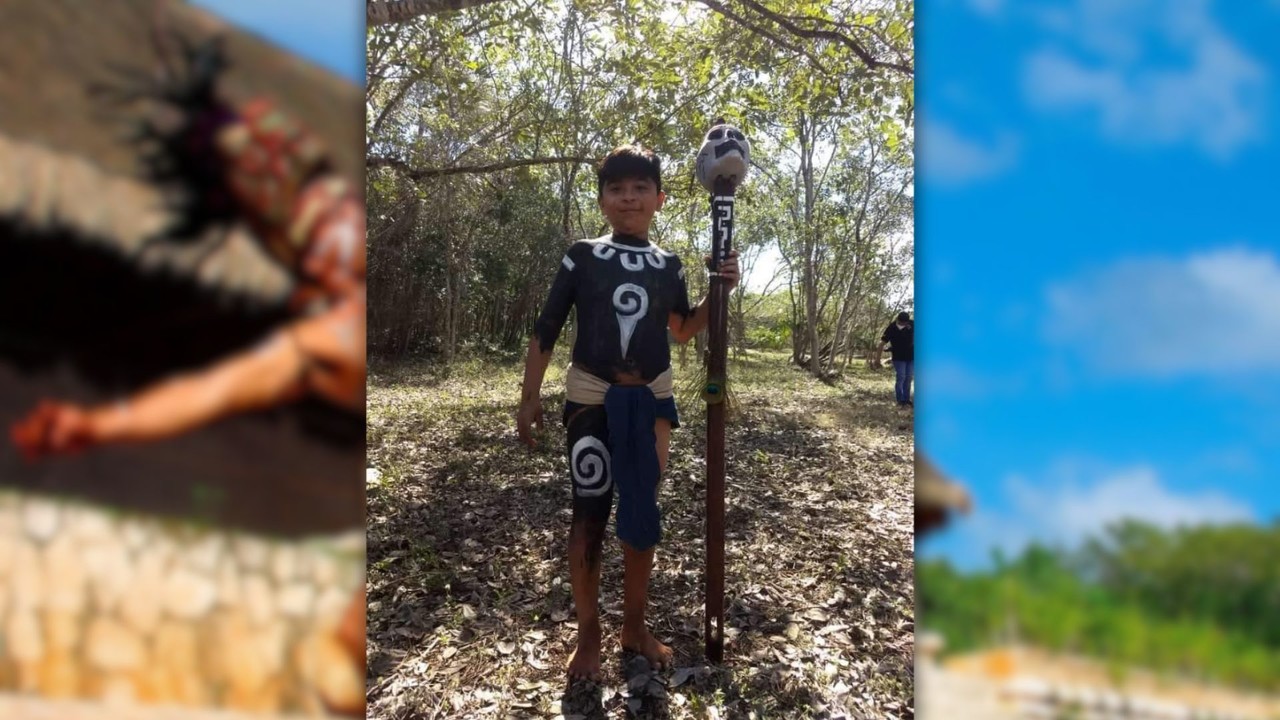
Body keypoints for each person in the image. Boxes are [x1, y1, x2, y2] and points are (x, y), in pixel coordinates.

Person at [9, 94, 367, 715]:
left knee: (345, 645)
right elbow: (210, 391)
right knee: (344, 650)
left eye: (337, 205)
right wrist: (94, 424)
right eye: (319, 226)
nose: (341, 225)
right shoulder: (324, 339)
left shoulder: (332, 316)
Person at [516, 145, 739, 682]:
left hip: (653, 403)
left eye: (640, 188)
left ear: (659, 199)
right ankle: (588, 632)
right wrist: (529, 397)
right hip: (590, 395)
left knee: (641, 511)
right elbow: (546, 329)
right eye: (617, 189)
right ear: (602, 200)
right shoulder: (582, 256)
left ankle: (634, 627)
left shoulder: (667, 265)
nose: (629, 198)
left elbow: (683, 328)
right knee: (589, 510)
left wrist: (721, 288)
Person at [881, 311, 914, 407]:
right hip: (898, 357)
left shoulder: (912, 324)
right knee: (901, 377)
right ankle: (900, 399)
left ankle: (906, 399)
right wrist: (877, 359)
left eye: (905, 323)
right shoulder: (892, 327)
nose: (903, 324)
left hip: (911, 356)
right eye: (901, 322)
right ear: (897, 320)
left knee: (908, 377)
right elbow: (882, 343)